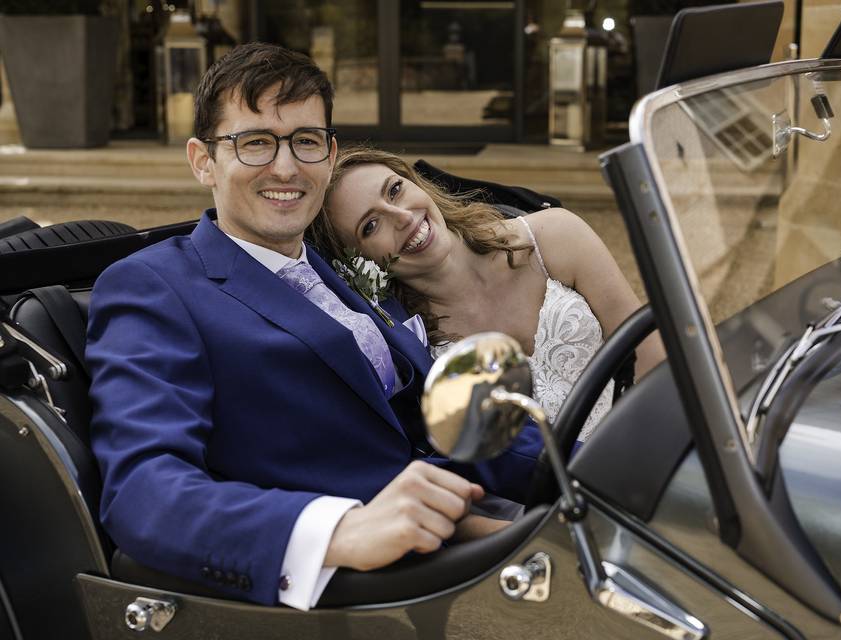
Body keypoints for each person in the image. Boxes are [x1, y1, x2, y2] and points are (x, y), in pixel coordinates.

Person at [85, 43, 541, 611]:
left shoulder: (334, 266)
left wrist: (576, 468)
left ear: (329, 155)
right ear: (203, 161)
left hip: (489, 517)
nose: (286, 167)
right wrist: (340, 531)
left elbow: (423, 414)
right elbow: (144, 493)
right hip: (374, 586)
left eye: (305, 141)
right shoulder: (153, 285)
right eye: (254, 142)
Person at [316, 146, 665, 440]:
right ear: (358, 263)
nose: (402, 216)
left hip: (645, 439)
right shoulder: (411, 348)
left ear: (416, 183)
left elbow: (653, 354)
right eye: (371, 225)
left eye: (394, 190)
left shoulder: (555, 236)